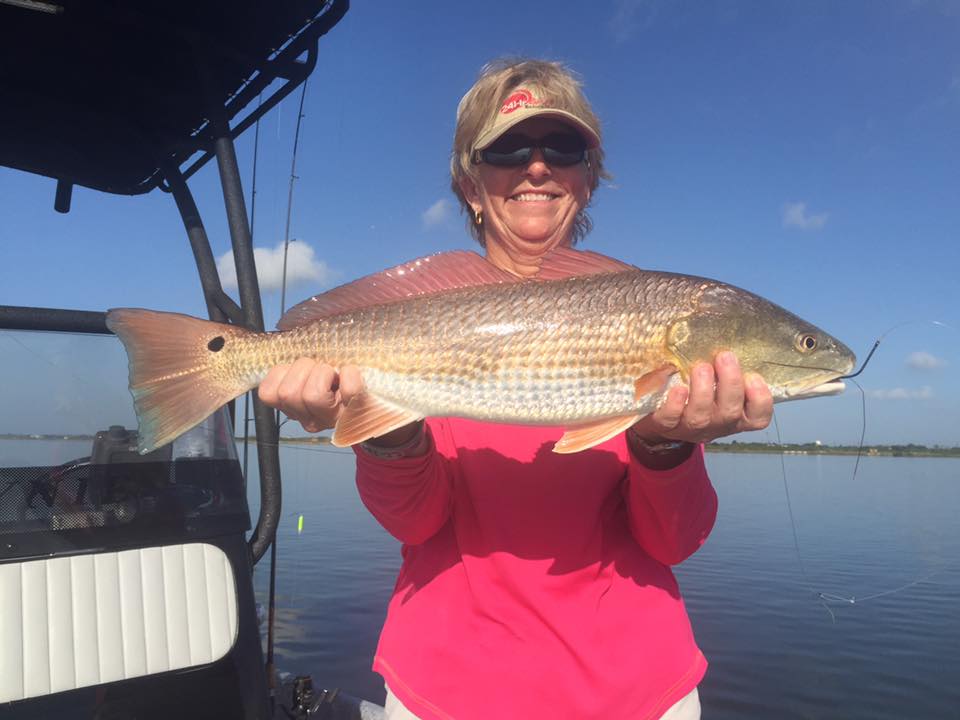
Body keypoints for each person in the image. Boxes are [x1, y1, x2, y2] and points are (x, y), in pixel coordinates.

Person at [260, 58, 773, 720]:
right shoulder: (421, 320)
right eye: (507, 149)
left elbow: (673, 544)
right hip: (446, 685)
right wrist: (384, 425)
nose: (537, 167)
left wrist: (665, 446)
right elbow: (415, 521)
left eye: (563, 148)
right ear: (470, 186)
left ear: (587, 181)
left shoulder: (652, 314)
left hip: (636, 689)